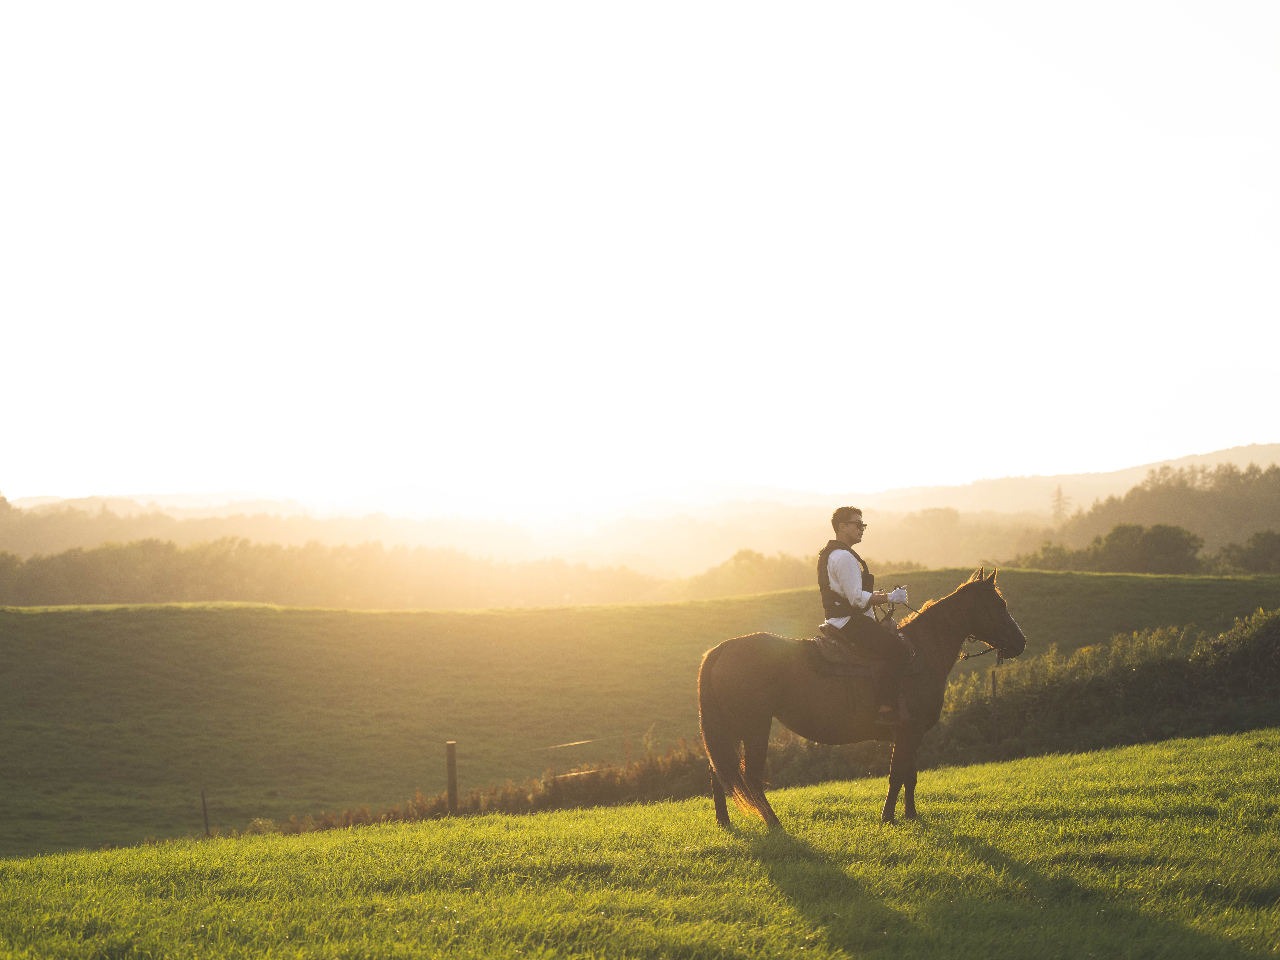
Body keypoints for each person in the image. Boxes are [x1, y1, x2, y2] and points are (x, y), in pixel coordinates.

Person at [817, 506, 913, 726]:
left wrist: (877, 596)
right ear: (842, 527)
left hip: (840, 619)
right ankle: (886, 707)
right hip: (850, 622)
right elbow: (856, 599)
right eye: (858, 524)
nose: (862, 529)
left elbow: (849, 594)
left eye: (864, 525)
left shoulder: (832, 554)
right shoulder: (844, 557)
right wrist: (890, 597)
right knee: (900, 652)